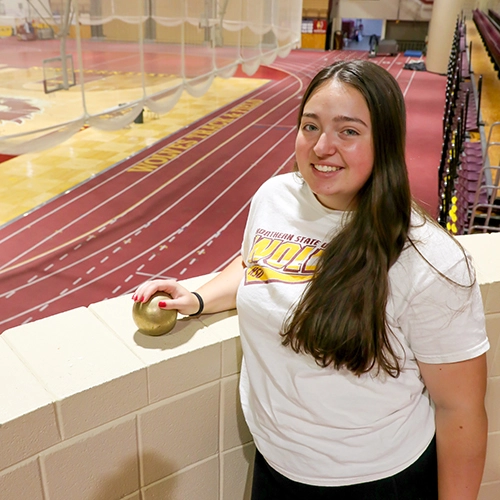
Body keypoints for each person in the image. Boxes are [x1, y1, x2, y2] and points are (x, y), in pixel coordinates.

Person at [133, 60, 489, 499]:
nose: (323, 146)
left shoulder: (430, 261)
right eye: (310, 126)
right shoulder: (275, 197)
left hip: (378, 480)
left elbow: (461, 410)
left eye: (349, 131)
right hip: (277, 465)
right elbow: (255, 263)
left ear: (387, 143)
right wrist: (198, 297)